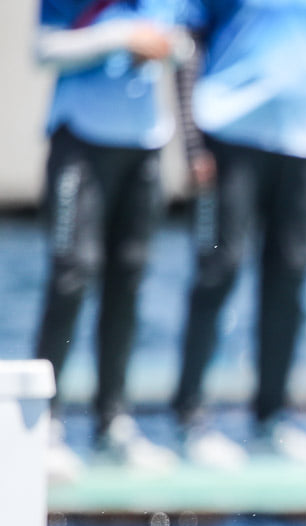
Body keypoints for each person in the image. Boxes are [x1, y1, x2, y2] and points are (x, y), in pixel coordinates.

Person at [170, 0, 306, 465]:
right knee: (218, 270)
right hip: (230, 134)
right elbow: (189, 46)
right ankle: (189, 415)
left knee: (289, 277)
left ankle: (270, 418)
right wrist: (192, 144)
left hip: (303, 141)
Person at [32, 0, 191, 472]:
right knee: (71, 276)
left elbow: (184, 43)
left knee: (128, 282)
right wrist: (121, 38)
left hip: (143, 145)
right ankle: (45, 423)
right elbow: (44, 49)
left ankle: (112, 423)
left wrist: (166, 47)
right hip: (79, 140)